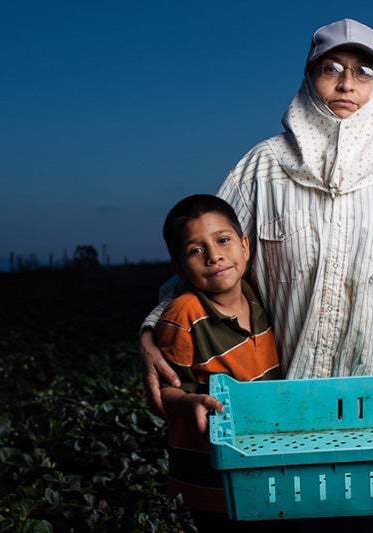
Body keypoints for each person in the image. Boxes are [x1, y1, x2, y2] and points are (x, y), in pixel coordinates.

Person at [140, 18, 373, 533]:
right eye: (332, 68)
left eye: (364, 71)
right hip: (282, 426)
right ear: (308, 76)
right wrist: (152, 330)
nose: (348, 83)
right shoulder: (263, 168)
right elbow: (208, 265)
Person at [156, 194, 281, 531]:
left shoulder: (260, 297)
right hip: (210, 485)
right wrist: (188, 400)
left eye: (223, 240)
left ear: (244, 246)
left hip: (261, 467)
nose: (214, 256)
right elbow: (161, 390)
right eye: (196, 250)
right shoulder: (183, 315)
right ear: (180, 268)